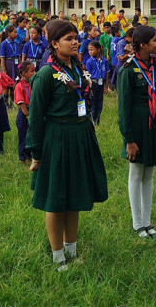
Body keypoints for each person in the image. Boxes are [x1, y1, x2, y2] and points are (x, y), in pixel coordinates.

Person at [26, 19, 108, 272]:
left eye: (76, 38)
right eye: (68, 39)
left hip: (80, 135)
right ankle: (58, 256)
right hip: (57, 139)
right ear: (54, 43)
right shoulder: (45, 74)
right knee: (56, 199)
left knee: (74, 197)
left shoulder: (77, 68)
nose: (75, 42)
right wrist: (36, 154)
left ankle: (72, 251)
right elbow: (36, 117)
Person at [117, 25, 156, 239]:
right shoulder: (128, 70)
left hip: (153, 123)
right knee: (136, 173)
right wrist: (129, 140)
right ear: (142, 44)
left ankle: (148, 223)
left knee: (149, 174)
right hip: (136, 126)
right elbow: (123, 109)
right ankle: (138, 224)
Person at [14, 61, 35, 164]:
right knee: (23, 136)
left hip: (33, 110)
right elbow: (21, 104)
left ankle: (30, 156)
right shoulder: (19, 86)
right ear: (24, 74)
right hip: (24, 114)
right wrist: (27, 115)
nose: (35, 73)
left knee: (31, 136)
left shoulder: (33, 82)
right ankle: (23, 158)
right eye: (32, 71)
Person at [84, 41, 109, 125]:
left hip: (101, 84)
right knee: (93, 103)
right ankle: (92, 121)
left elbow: (106, 73)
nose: (90, 52)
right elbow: (87, 76)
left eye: (92, 49)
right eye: (89, 50)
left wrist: (106, 87)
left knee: (100, 103)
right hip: (93, 84)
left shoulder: (104, 60)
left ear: (98, 49)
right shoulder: (89, 62)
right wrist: (89, 88)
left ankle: (97, 120)